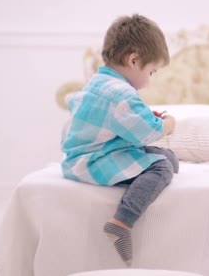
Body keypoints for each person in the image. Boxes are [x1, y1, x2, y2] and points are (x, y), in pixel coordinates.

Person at [60, 14, 178, 266]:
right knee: (162, 167)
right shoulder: (121, 94)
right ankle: (122, 222)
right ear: (133, 59)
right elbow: (149, 132)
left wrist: (147, 119)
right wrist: (169, 123)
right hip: (91, 161)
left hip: (88, 154)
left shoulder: (99, 83)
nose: (149, 80)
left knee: (165, 156)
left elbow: (126, 124)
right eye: (151, 71)